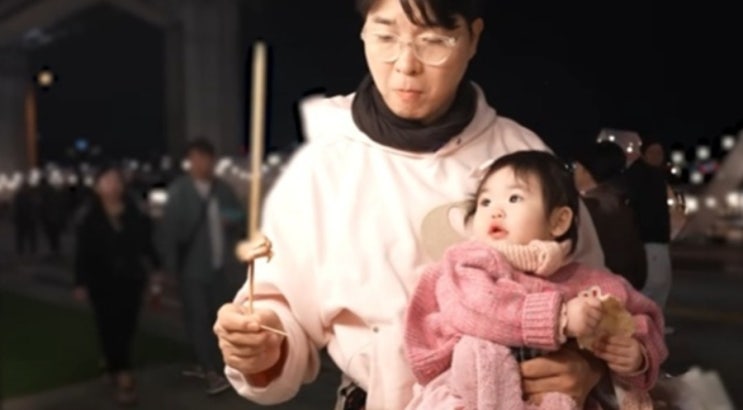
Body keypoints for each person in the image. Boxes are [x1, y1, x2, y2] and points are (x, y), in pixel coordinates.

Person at [214, 0, 608, 408]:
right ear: (363, 31)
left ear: (472, 38)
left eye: (433, 41)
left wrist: (588, 366)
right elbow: (282, 309)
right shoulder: (325, 165)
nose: (405, 65)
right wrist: (262, 346)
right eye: (385, 37)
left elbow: (600, 293)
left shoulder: (521, 154)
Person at [403, 151, 667, 410]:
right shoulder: (467, 263)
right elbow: (475, 308)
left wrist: (637, 355)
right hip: (468, 394)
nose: (495, 210)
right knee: (479, 349)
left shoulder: (584, 280)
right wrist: (560, 318)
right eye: (485, 202)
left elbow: (643, 315)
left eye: (514, 198)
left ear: (559, 221)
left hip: (554, 396)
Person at [160, 138, 245, 395]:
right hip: (192, 269)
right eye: (196, 159)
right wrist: (169, 269)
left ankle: (214, 363)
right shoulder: (180, 191)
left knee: (219, 318)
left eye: (206, 159)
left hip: (220, 268)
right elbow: (169, 233)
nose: (201, 164)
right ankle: (210, 370)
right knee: (197, 319)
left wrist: (231, 221)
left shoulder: (222, 190)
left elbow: (240, 217)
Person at [73, 165, 162, 405]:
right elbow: (82, 252)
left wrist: (156, 268)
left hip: (131, 280)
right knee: (108, 327)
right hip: (101, 281)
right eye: (106, 181)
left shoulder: (135, 213)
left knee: (126, 326)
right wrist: (80, 282)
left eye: (116, 181)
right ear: (97, 187)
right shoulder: (89, 217)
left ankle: (113, 364)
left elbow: (146, 244)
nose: (112, 186)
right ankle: (124, 376)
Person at [573, 142, 647, 290]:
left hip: (597, 291)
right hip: (627, 287)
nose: (574, 173)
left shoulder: (585, 209)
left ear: (587, 172)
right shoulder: (623, 203)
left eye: (577, 167)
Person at [624, 140, 672, 309]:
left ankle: (652, 320)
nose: (657, 156)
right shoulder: (641, 176)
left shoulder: (653, 174)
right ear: (643, 154)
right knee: (654, 286)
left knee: (658, 285)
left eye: (660, 152)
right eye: (652, 152)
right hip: (649, 239)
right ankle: (648, 321)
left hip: (656, 239)